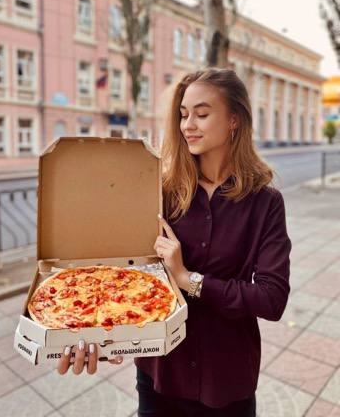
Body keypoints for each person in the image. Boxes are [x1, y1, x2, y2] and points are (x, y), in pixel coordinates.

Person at [57, 68, 292, 417]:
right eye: (183, 115)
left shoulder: (265, 202)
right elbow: (127, 276)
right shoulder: (160, 192)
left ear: (234, 120)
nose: (188, 125)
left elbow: (272, 300)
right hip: (160, 376)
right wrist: (92, 334)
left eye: (202, 113)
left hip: (227, 378)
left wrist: (188, 279)